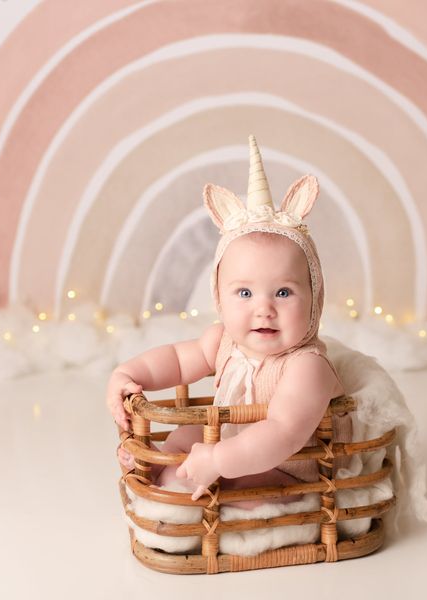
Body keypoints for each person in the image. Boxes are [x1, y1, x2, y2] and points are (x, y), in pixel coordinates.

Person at [107, 135, 347, 506]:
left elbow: (283, 432)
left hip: (288, 465)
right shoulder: (223, 341)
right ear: (219, 297)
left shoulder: (306, 367)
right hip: (230, 441)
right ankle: (160, 472)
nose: (263, 309)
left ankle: (181, 489)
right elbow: (174, 358)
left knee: (243, 480)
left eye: (283, 293)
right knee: (188, 434)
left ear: (315, 297)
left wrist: (219, 460)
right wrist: (128, 374)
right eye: (245, 293)